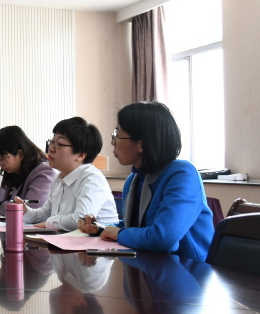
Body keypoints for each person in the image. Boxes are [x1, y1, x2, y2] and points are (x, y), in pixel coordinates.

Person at [78, 102, 214, 261]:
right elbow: (134, 227)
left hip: (189, 269)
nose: (113, 142)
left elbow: (164, 238)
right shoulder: (134, 180)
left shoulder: (182, 174)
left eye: (117, 135)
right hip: (150, 265)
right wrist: (101, 229)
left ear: (142, 144)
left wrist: (119, 233)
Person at [23, 116, 118, 231]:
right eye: (52, 142)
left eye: (59, 144)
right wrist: (25, 211)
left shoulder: (92, 179)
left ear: (80, 155)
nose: (51, 149)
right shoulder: (59, 178)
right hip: (69, 239)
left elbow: (80, 219)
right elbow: (46, 213)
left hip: (95, 241)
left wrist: (49, 223)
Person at [0, 126, 55, 213]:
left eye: (3, 158)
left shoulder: (45, 172)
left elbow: (31, 207)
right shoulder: (13, 171)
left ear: (20, 154)